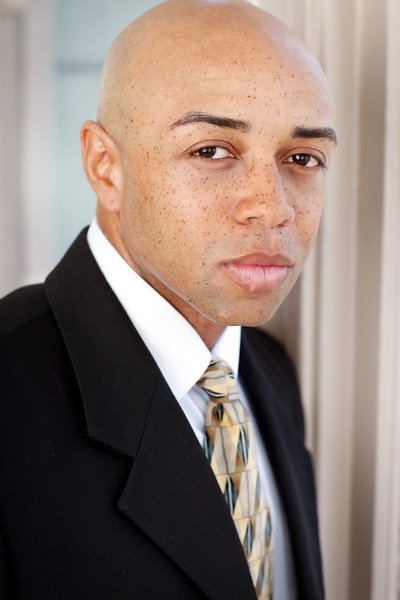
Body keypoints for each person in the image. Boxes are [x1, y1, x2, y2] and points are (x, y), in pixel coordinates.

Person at [0, 0, 337, 598]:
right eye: (211, 151)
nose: (273, 207)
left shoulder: (268, 372)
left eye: (302, 158)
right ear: (105, 166)